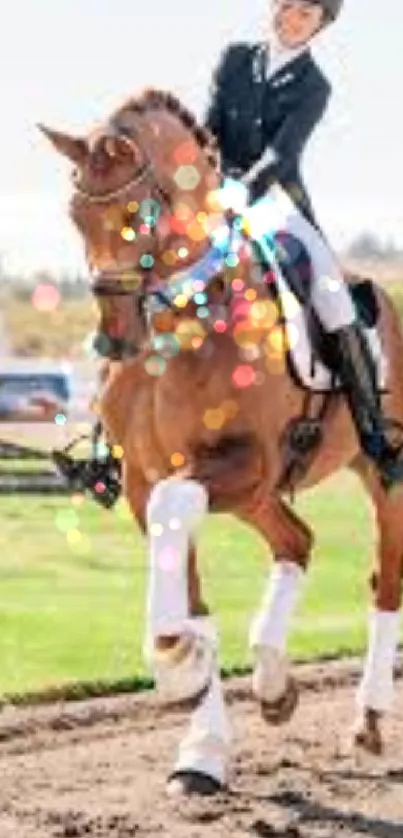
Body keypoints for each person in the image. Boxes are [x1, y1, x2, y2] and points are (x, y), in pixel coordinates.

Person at [204, 0, 403, 488]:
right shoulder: (234, 59)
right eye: (288, 6)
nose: (292, 19)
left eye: (306, 15)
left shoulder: (314, 86)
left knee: (335, 300)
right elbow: (208, 129)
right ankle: (108, 441)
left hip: (277, 205)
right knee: (148, 271)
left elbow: (281, 153)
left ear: (322, 25)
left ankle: (374, 433)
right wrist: (204, 182)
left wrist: (239, 189)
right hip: (213, 200)